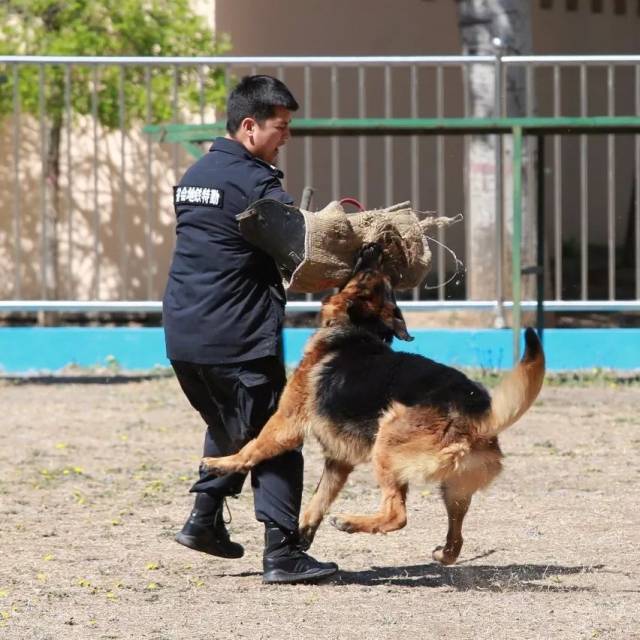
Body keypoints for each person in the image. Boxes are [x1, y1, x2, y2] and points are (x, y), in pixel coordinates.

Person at [162, 75, 338, 584]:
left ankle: (202, 522)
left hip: (185, 334)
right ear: (248, 126)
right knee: (278, 437)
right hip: (237, 336)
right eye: (280, 128)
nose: (286, 138)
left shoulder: (196, 173)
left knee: (229, 425)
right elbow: (304, 260)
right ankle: (283, 555)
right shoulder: (257, 183)